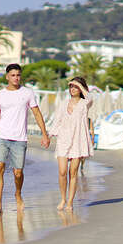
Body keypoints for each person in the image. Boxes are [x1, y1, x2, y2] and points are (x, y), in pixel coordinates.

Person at [0, 63, 50, 214]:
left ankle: (18, 193)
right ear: (7, 76)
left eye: (18, 75)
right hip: (1, 137)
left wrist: (44, 134)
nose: (16, 78)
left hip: (19, 138)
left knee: (18, 173)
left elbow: (36, 113)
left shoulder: (28, 93)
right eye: (13, 75)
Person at [48, 77, 94, 210]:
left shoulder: (85, 103)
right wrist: (49, 135)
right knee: (62, 172)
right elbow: (57, 120)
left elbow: (90, 97)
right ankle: (63, 199)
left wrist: (80, 85)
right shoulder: (63, 103)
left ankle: (70, 202)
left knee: (73, 172)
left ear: (81, 89)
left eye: (76, 87)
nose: (73, 89)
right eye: (71, 87)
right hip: (63, 139)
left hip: (78, 141)